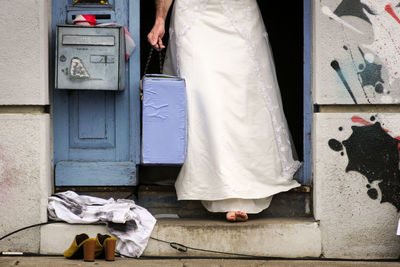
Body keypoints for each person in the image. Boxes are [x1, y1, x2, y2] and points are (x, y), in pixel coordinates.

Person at [147, 0, 301, 222]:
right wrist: (160, 18)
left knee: (241, 99)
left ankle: (240, 194)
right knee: (204, 99)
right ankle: (226, 194)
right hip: (194, 16)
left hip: (238, 13)